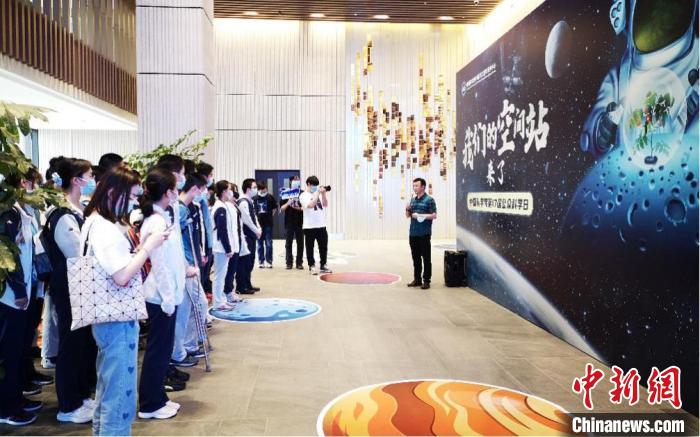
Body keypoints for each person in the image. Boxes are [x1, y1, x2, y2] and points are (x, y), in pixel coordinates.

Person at [82, 165, 167, 435]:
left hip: (106, 314)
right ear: (112, 192)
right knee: (119, 394)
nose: (133, 203)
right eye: (130, 196)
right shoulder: (104, 228)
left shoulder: (93, 222)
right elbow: (122, 276)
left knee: (108, 388)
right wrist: (148, 247)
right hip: (116, 316)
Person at [42, 157, 98, 424]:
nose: (93, 181)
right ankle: (68, 404)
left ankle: (82, 395)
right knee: (71, 345)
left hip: (82, 287)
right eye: (90, 176)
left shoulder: (79, 210)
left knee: (83, 344)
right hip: (69, 288)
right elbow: (79, 255)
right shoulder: (63, 215)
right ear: (76, 180)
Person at [137, 168, 190, 420]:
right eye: (175, 188)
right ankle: (150, 403)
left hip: (167, 294)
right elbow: (159, 264)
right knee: (158, 351)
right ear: (168, 192)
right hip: (160, 296)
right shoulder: (156, 222)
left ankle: (158, 397)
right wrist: (168, 298)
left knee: (162, 349)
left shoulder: (162, 217)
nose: (178, 191)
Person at [0, 173, 42, 426]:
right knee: (10, 353)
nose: (34, 188)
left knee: (17, 351)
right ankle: (7, 407)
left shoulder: (20, 212)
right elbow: (10, 259)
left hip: (22, 292)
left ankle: (15, 398)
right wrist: (18, 291)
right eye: (30, 183)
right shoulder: (8, 214)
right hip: (11, 297)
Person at [170, 173, 208, 368]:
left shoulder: (189, 208)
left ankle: (189, 345)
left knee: (199, 305)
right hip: (185, 266)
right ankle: (180, 350)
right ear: (195, 189)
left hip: (191, 263)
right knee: (186, 310)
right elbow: (176, 241)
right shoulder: (180, 210)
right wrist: (185, 265)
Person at [211, 180, 239, 310]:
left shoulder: (224, 206)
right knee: (219, 276)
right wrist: (228, 248)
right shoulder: (220, 208)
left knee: (221, 276)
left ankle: (221, 299)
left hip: (223, 248)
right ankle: (218, 302)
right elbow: (222, 231)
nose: (231, 192)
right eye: (229, 189)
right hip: (220, 248)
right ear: (223, 192)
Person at [405, 178, 437, 290]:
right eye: (413, 186)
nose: (414, 188)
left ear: (423, 187)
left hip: (424, 233)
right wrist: (407, 209)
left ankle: (426, 281)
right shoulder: (412, 200)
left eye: (416, 186)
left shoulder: (429, 200)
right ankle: (417, 279)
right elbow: (408, 216)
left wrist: (419, 216)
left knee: (426, 258)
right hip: (413, 233)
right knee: (416, 258)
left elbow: (434, 215)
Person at [299, 176, 332, 275]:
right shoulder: (303, 195)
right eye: (314, 185)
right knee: (310, 247)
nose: (316, 187)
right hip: (309, 226)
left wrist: (323, 194)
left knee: (323, 246)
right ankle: (311, 266)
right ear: (308, 184)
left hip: (321, 225)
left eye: (317, 185)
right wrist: (317, 192)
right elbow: (310, 205)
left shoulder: (319, 194)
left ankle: (323, 265)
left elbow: (325, 204)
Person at [236, 179, 262, 294]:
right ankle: (241, 286)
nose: (256, 189)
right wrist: (256, 230)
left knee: (250, 261)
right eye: (254, 187)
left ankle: (247, 283)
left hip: (252, 235)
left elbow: (254, 217)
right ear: (248, 189)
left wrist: (259, 228)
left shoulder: (250, 201)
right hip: (246, 235)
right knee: (244, 262)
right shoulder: (243, 202)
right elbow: (246, 219)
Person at [223, 184, 248, 303]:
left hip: (237, 240)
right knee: (229, 270)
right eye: (231, 190)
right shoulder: (225, 206)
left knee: (232, 269)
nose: (234, 193)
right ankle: (227, 292)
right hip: (231, 242)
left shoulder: (234, 205)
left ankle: (230, 291)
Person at [196, 162, 215, 293]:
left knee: (206, 269)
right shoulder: (199, 194)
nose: (212, 178)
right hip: (204, 237)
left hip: (208, 235)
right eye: (211, 175)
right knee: (203, 270)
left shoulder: (204, 193)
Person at [280, 176, 304, 270]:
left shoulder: (302, 193)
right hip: (289, 222)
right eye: (295, 180)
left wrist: (299, 208)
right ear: (290, 182)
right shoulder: (286, 193)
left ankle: (299, 263)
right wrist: (288, 203)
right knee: (288, 243)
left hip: (300, 222)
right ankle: (289, 263)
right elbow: (281, 209)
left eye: (298, 180)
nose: (297, 181)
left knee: (300, 243)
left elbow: (305, 207)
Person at [254, 182, 277, 268]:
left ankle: (269, 261)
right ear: (259, 189)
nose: (264, 190)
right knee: (259, 244)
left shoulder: (270, 197)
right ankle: (261, 261)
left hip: (268, 223)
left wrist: (270, 216)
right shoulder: (255, 198)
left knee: (268, 243)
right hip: (258, 224)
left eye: (265, 188)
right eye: (262, 189)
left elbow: (274, 208)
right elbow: (253, 210)